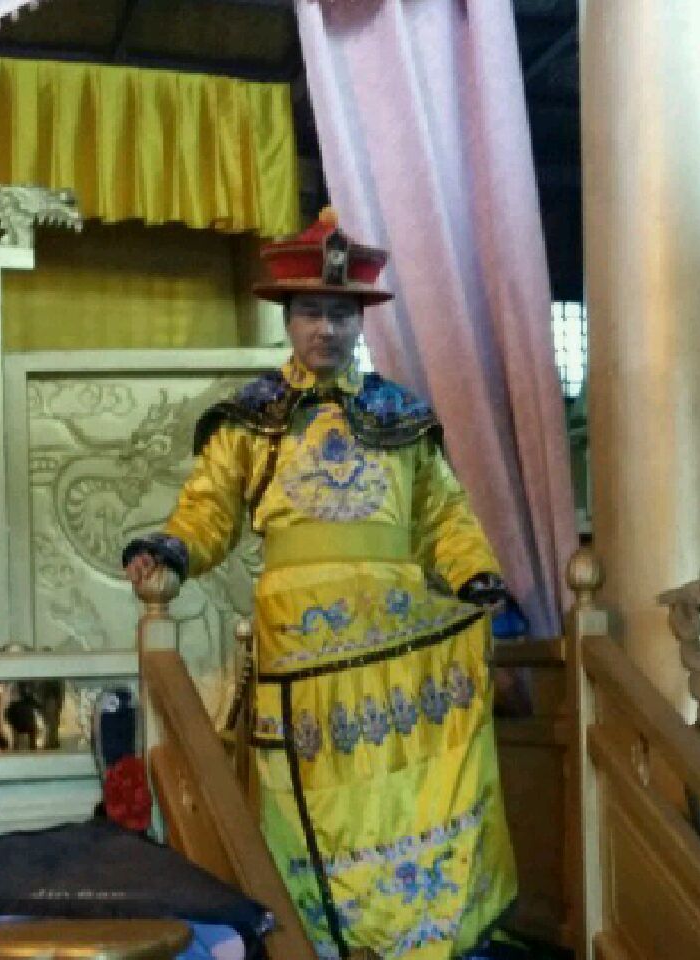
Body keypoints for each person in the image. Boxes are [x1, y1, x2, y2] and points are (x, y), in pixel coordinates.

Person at [124, 208, 518, 959]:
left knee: (398, 794)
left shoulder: (401, 417)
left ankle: (410, 937)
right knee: (304, 798)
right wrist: (170, 550)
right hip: (300, 654)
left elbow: (445, 516)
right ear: (288, 318)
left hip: (397, 650)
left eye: (340, 314)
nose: (325, 329)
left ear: (360, 321)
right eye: (311, 311)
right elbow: (208, 509)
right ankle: (314, 944)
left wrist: (474, 576)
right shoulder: (252, 418)